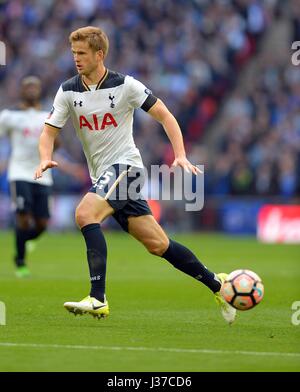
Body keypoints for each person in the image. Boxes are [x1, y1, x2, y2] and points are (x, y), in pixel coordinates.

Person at [35, 26, 236, 324]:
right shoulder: (68, 91)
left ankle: (97, 298)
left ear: (99, 54)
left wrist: (180, 154)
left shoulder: (126, 85)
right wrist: (45, 158)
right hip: (103, 176)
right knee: (159, 245)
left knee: (85, 214)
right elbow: (48, 132)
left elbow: (165, 115)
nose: (76, 58)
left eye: (82, 53)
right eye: (73, 52)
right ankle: (219, 285)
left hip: (126, 168)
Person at [0, 76, 86, 278]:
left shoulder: (47, 116)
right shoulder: (9, 116)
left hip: (42, 175)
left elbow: (56, 146)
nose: (31, 90)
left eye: (35, 86)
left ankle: (24, 241)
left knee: (43, 223)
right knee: (23, 217)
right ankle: (20, 261)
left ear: (40, 90)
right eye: (27, 86)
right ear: (21, 90)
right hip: (19, 172)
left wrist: (71, 167)